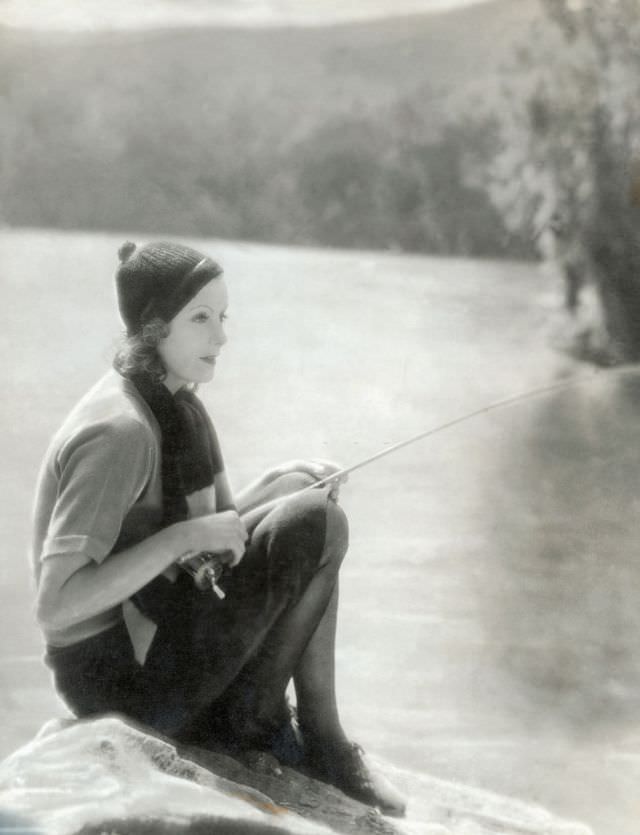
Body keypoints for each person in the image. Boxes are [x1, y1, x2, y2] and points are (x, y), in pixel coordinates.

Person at [31, 241, 406, 817]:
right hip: (122, 691)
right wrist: (183, 540)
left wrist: (280, 483)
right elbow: (58, 606)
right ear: (155, 328)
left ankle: (299, 733)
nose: (221, 337)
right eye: (201, 319)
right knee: (316, 524)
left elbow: (219, 532)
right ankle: (308, 741)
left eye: (222, 317)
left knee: (305, 512)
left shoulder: (176, 405)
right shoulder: (120, 433)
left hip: (164, 647)